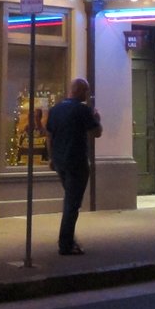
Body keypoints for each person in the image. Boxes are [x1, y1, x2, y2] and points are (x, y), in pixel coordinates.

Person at [44, 77, 102, 256]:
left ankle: (69, 238)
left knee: (70, 200)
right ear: (81, 91)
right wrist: (97, 119)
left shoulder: (55, 110)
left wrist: (51, 158)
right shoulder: (82, 109)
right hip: (77, 162)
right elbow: (96, 132)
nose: (88, 94)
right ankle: (66, 243)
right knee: (72, 204)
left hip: (60, 162)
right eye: (87, 91)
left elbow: (49, 136)